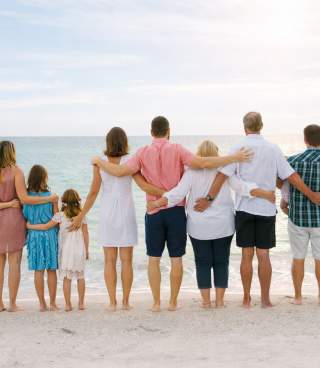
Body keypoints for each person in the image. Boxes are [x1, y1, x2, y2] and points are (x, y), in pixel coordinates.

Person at [90, 116, 252, 312]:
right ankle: (173, 302)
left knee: (153, 259)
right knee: (176, 259)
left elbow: (120, 171)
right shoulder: (177, 149)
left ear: (151, 132)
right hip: (175, 212)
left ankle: (157, 303)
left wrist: (98, 161)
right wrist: (233, 158)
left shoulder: (142, 152)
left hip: (154, 211)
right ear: (168, 131)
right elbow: (202, 163)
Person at [194, 112, 320, 308]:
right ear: (262, 126)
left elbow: (221, 176)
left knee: (246, 254)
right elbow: (291, 176)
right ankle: (265, 299)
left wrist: (209, 199)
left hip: (244, 209)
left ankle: (246, 298)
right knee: (263, 255)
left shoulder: (237, 148)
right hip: (266, 210)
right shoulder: (273, 148)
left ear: (245, 128)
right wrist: (311, 195)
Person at [147, 140, 275, 309]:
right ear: (216, 154)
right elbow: (242, 188)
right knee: (222, 262)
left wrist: (158, 203)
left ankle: (206, 302)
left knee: (202, 262)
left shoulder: (191, 172)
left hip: (199, 227)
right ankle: (220, 301)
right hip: (223, 225)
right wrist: (264, 193)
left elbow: (177, 194)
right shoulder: (224, 171)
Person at [70, 127, 164, 311]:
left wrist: (81, 216)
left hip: (107, 214)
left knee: (109, 260)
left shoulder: (100, 164)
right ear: (125, 142)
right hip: (126, 213)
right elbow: (143, 185)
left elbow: (93, 193)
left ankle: (112, 302)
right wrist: (166, 192)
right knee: (126, 260)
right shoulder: (130, 162)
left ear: (108, 143)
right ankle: (126, 302)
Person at [0, 141, 58, 312]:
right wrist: (48, 199)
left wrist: (5, 204)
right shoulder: (16, 172)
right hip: (13, 221)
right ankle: (12, 304)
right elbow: (25, 199)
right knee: (14, 262)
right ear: (11, 152)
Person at [27, 189, 89, 312]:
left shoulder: (60, 216)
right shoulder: (82, 216)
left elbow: (46, 226)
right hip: (79, 250)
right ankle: (81, 303)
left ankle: (67, 305)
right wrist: (86, 250)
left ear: (64, 202)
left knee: (67, 278)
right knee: (80, 276)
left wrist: (29, 226)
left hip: (66, 251)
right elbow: (86, 235)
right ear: (77, 201)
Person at [280, 125, 320, 305]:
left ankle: (297, 297)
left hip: (298, 218)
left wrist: (284, 201)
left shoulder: (293, 161)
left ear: (305, 139)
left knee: (298, 257)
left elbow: (286, 185)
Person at [23, 165, 60, 312]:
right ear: (44, 178)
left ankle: (41, 304)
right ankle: (53, 303)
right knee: (51, 269)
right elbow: (57, 217)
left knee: (38, 270)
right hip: (50, 234)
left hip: (34, 236)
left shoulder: (27, 198)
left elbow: (25, 216)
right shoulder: (51, 196)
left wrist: (30, 225)